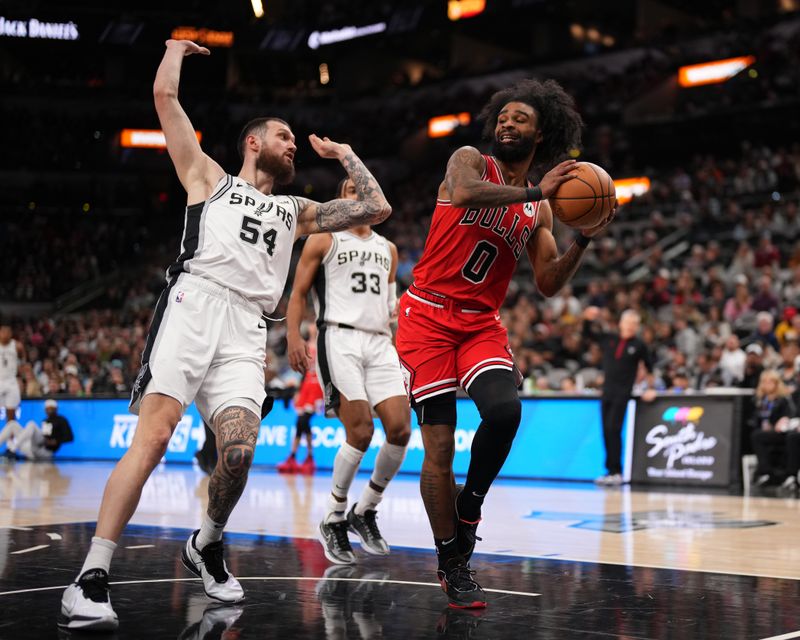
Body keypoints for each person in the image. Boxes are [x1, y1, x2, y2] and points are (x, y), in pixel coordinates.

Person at [59, 38, 391, 632]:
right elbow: (164, 96)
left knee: (237, 452)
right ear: (254, 143)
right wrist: (172, 51)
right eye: (284, 136)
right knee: (156, 437)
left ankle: (205, 543)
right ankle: (91, 575)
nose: (294, 145)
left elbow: (377, 205)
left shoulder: (297, 211)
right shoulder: (208, 176)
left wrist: (342, 153)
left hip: (246, 329)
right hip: (193, 306)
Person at [395, 79, 613, 608]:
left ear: (542, 134)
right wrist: (539, 192)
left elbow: (547, 281)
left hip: (479, 322)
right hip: (425, 317)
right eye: (504, 116)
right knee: (440, 450)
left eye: (520, 119)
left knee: (505, 411)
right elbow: (466, 194)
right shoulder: (470, 161)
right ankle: (452, 560)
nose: (507, 124)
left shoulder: (538, 211)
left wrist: (585, 234)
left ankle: (470, 509)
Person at [287, 177, 411, 565]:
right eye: (353, 190)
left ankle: (366, 509)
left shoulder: (388, 250)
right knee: (360, 430)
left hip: (378, 342)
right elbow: (298, 293)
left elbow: (391, 311)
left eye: (366, 190)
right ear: (341, 199)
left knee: (401, 429)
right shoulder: (324, 238)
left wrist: (400, 347)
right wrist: (293, 335)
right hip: (337, 338)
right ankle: (334, 515)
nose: (360, 195)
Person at [583, 308, 652, 485]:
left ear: (637, 327)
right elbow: (588, 334)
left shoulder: (639, 345)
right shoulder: (610, 339)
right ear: (621, 323)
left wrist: (648, 388)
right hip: (607, 393)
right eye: (627, 322)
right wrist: (587, 319)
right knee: (606, 431)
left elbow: (649, 368)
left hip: (623, 394)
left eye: (633, 324)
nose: (630, 326)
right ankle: (609, 470)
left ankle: (617, 471)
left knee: (614, 430)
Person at [750, 369, 796, 487]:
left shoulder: (783, 399)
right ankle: (766, 472)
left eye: (770, 382)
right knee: (756, 435)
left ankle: (767, 472)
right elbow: (755, 419)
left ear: (776, 383)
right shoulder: (760, 400)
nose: (767, 384)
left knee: (757, 436)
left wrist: (782, 421)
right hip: (764, 431)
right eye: (764, 382)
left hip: (781, 432)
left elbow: (789, 415)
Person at [0, 398, 73, 460]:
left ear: (56, 409)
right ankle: (11, 449)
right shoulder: (45, 421)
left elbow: (70, 437)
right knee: (12, 424)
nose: (49, 410)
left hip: (46, 452)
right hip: (32, 450)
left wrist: (55, 441)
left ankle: (12, 449)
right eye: (47, 409)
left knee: (31, 424)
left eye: (51, 408)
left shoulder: (61, 420)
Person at [0, 325, 24, 433]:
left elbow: (23, 359)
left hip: (11, 381)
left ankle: (11, 444)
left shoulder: (17, 345)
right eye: (3, 331)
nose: (5, 334)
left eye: (7, 332)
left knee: (11, 413)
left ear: (11, 334)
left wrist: (21, 368)